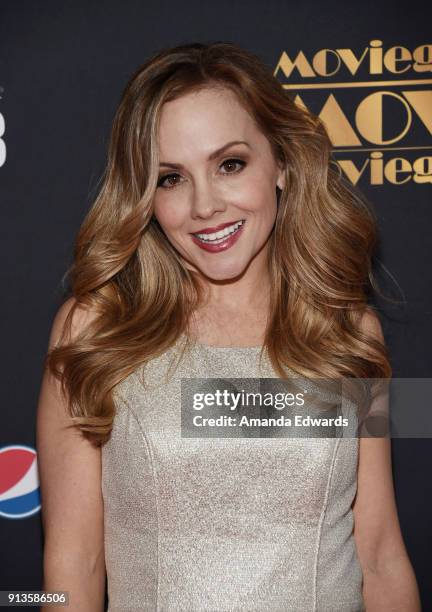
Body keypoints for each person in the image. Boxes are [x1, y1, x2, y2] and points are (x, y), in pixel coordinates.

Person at [36, 42, 421, 611]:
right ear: (144, 197)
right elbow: (74, 560)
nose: (205, 204)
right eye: (170, 178)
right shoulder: (94, 330)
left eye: (230, 164)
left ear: (282, 165)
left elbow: (380, 549)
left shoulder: (350, 332)